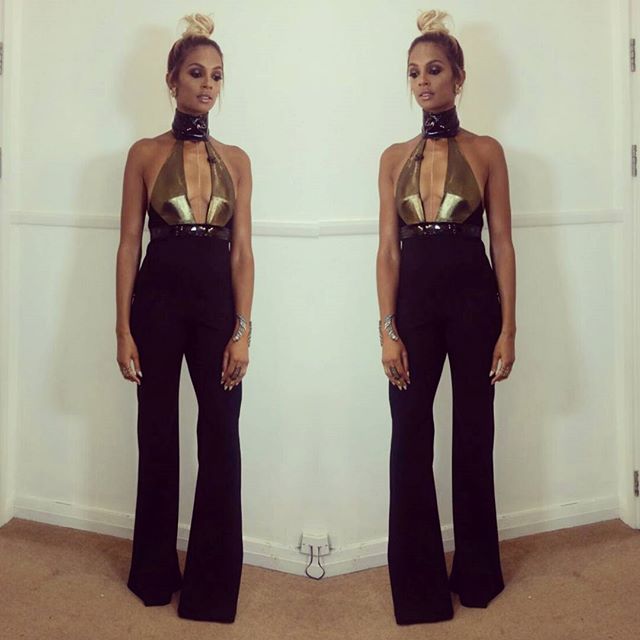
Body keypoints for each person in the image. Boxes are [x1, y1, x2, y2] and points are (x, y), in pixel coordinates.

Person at [376, 9, 516, 625]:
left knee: (474, 434)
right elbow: (387, 250)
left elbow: (502, 243)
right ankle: (418, 588)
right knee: (409, 435)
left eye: (434, 70)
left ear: (459, 77)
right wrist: (388, 329)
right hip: (413, 306)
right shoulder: (393, 157)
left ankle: (479, 573)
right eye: (413, 72)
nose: (423, 82)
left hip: (473, 301)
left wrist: (508, 327)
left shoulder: (487, 152)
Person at [115, 13, 254, 622]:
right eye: (196, 73)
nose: (207, 85)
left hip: (217, 308)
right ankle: (152, 571)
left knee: (221, 435)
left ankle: (212, 587)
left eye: (217, 76)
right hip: (157, 304)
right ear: (172, 80)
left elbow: (243, 252)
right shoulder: (144, 154)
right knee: (157, 434)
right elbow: (129, 244)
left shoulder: (237, 160)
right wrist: (122, 328)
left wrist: (242, 330)